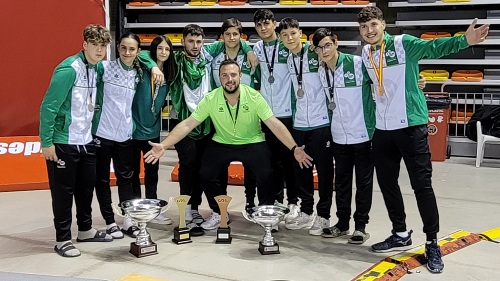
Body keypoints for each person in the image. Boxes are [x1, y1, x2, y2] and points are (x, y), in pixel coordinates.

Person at [357, 6, 489, 273]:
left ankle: (432, 242)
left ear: (384, 24)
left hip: (411, 126)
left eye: (373, 25)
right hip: (383, 130)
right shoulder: (366, 53)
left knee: (422, 186)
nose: (369, 31)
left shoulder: (402, 43)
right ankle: (400, 232)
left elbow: (434, 47)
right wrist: (371, 129)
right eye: (363, 27)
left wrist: (464, 40)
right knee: (387, 183)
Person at [144, 59, 312, 230]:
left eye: (233, 75)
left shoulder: (254, 97)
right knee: (206, 174)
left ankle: (265, 214)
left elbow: (274, 124)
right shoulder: (211, 98)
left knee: (266, 173)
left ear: (240, 76)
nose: (229, 79)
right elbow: (188, 124)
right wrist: (163, 145)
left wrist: (294, 148)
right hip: (222, 141)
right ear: (220, 78)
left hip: (252, 141)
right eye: (224, 75)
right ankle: (219, 212)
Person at [139, 24, 257, 235]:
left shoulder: (209, 53)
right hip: (183, 121)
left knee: (210, 168)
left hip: (209, 121)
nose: (195, 46)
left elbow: (235, 39)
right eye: (190, 41)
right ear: (182, 41)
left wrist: (248, 50)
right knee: (187, 166)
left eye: (199, 41)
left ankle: (217, 211)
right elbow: (145, 56)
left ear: (204, 42)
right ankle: (190, 210)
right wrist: (155, 67)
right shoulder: (174, 59)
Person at [40, 24, 113, 257]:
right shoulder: (69, 69)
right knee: (63, 193)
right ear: (85, 45)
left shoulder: (97, 68)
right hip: (63, 142)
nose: (99, 50)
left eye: (103, 46)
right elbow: (48, 107)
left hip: (86, 141)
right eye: (95, 46)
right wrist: (46, 142)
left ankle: (85, 230)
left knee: (86, 188)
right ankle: (62, 239)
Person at [92, 33, 161, 239]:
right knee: (102, 179)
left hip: (124, 136)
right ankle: (110, 222)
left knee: (126, 179)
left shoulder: (139, 74)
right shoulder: (104, 68)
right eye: (123, 48)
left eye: (132, 49)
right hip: (102, 134)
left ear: (138, 52)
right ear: (118, 48)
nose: (127, 53)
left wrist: (154, 66)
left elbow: (149, 58)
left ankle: (128, 220)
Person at [311, 28, 375, 244]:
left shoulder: (357, 63)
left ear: (336, 43)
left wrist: (418, 80)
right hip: (339, 135)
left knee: (364, 182)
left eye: (328, 45)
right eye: (320, 48)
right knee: (343, 182)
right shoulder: (322, 70)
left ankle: (361, 226)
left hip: (363, 133)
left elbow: (380, 76)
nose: (324, 51)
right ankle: (342, 223)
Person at [278, 18, 334, 236]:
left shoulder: (315, 53)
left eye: (293, 33)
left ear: (300, 33)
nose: (289, 38)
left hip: (321, 122)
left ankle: (324, 216)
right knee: (301, 168)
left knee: (325, 171)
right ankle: (306, 210)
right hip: (300, 123)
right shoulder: (288, 58)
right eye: (285, 35)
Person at [249, 9, 299, 223]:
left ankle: (294, 202)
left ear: (274, 24)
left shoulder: (286, 45)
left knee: (290, 161)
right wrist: (247, 49)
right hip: (267, 115)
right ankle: (277, 201)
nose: (263, 28)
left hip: (287, 113)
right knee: (272, 162)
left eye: (267, 23)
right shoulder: (256, 48)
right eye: (259, 25)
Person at [131, 35, 176, 225]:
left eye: (167, 49)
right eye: (160, 49)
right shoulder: (143, 68)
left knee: (152, 173)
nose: (163, 52)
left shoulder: (170, 74)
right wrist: (154, 67)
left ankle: (153, 209)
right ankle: (135, 210)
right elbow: (139, 53)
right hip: (134, 130)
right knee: (133, 172)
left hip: (153, 131)